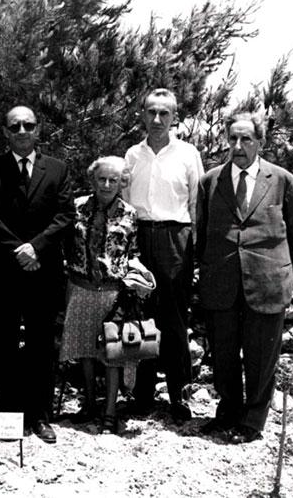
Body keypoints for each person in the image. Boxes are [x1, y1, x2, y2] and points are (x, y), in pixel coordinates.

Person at [196, 112, 293, 443]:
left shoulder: (284, 180)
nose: (238, 146)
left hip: (267, 281)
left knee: (261, 355)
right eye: (233, 139)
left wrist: (282, 274)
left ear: (261, 142)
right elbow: (202, 236)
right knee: (224, 351)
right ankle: (227, 410)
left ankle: (253, 420)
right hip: (222, 281)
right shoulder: (210, 181)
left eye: (247, 139)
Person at [0, 105, 74, 443]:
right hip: (3, 269)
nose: (22, 130)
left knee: (41, 345)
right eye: (14, 125)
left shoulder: (58, 169)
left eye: (28, 125)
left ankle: (39, 415)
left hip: (44, 270)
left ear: (38, 130)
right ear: (5, 131)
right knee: (3, 342)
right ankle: (8, 415)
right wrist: (18, 250)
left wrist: (36, 248)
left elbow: (65, 216)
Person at [123, 88, 204, 421]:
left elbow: (197, 203)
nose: (157, 119)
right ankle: (141, 395)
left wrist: (195, 249)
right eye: (151, 112)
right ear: (142, 114)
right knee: (140, 317)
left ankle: (179, 395)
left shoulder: (187, 154)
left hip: (175, 238)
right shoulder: (132, 155)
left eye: (164, 113)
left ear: (175, 118)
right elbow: (125, 204)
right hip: (140, 236)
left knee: (174, 320)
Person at [60, 156, 155, 434]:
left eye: (114, 180)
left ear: (122, 182)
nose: (107, 184)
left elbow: (133, 253)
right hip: (81, 288)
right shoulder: (77, 207)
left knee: (113, 352)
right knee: (86, 351)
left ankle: (110, 411)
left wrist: (138, 278)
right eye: (101, 179)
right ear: (92, 179)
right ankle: (89, 404)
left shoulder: (129, 213)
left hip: (113, 293)